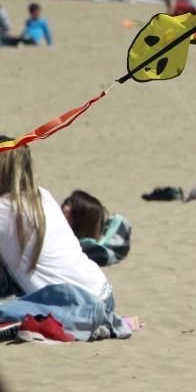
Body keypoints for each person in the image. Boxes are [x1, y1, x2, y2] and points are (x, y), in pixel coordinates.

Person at [0, 137, 134, 341]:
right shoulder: (42, 196)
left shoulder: (4, 209)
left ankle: (89, 322)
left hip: (75, 304)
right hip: (103, 293)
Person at [61, 190, 131, 267]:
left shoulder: (81, 252)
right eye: (67, 202)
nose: (66, 208)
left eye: (74, 211)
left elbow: (119, 221)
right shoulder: (88, 253)